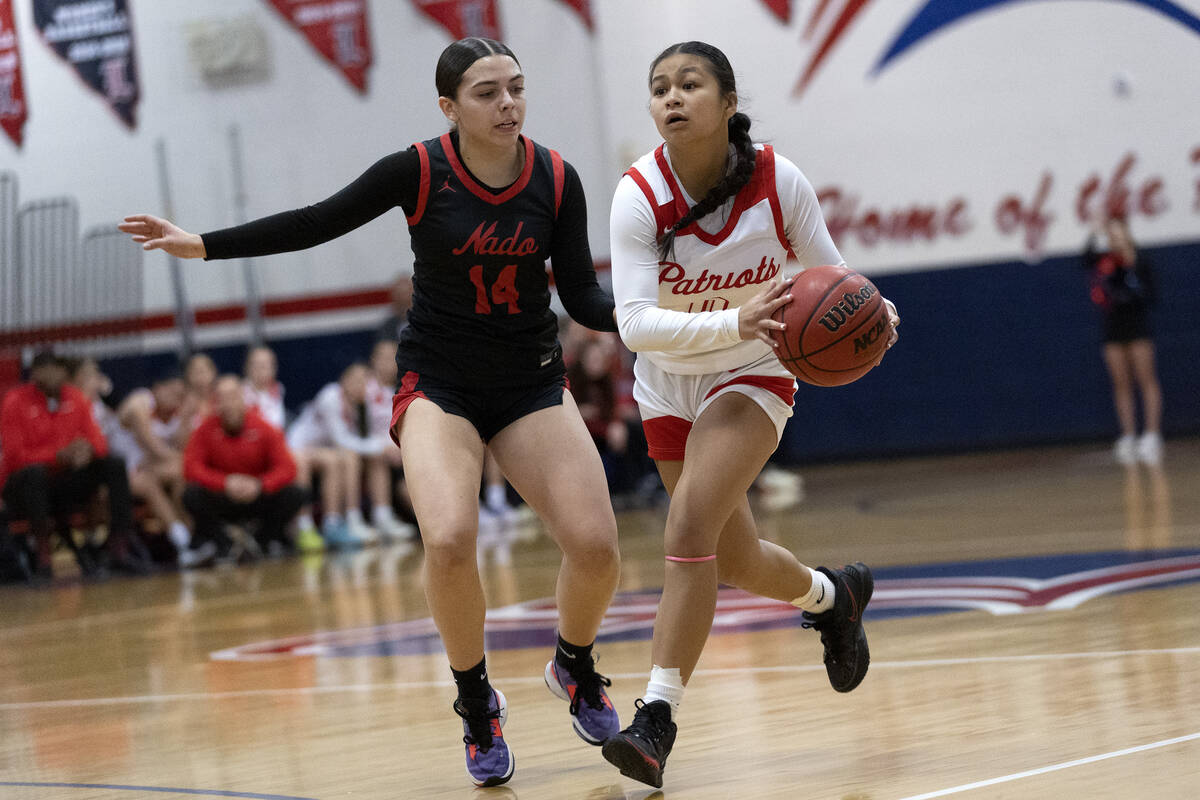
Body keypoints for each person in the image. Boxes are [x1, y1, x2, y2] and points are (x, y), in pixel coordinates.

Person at [119, 37, 622, 788]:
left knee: (597, 547)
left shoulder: (555, 177)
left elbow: (581, 296)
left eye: (515, 87)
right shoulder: (418, 170)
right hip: (440, 383)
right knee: (449, 538)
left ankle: (574, 665)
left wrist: (665, 312)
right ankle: (476, 702)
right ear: (449, 108)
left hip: (529, 382)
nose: (508, 103)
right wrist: (203, 246)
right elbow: (317, 220)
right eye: (487, 93)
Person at [601, 42, 900, 788]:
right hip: (668, 383)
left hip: (754, 372)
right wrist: (735, 318)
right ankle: (834, 600)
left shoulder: (777, 180)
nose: (671, 98)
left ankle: (656, 719)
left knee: (687, 529)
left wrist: (875, 314)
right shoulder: (638, 193)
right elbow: (635, 324)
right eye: (659, 87)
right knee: (731, 559)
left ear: (727, 102)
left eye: (689, 84)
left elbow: (831, 275)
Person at [0, 351, 149, 578]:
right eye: (46, 370)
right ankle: (43, 556)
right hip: (24, 488)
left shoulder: (75, 397)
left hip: (64, 480)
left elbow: (98, 442)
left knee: (113, 465)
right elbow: (14, 457)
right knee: (34, 474)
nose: (53, 376)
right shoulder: (15, 401)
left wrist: (88, 451)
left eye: (57, 369)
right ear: (35, 373)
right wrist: (57, 456)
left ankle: (118, 546)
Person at [73, 360, 211, 568]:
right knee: (154, 479)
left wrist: (184, 419)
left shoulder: (177, 412)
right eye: (173, 393)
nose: (177, 399)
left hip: (141, 469)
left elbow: (181, 450)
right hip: (116, 473)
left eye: (180, 395)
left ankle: (190, 536)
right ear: (158, 388)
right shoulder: (139, 403)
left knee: (180, 472)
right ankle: (183, 543)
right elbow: (155, 448)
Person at [182, 375, 306, 557]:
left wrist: (260, 484)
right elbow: (191, 468)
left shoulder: (263, 427)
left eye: (233, 396)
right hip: (223, 496)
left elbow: (288, 468)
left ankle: (262, 540)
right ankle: (224, 543)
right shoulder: (205, 430)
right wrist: (225, 482)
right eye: (222, 398)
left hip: (256, 495)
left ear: (242, 398)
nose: (229, 404)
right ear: (216, 403)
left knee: (296, 493)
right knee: (191, 495)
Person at [1083, 215, 1162, 465]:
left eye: (1119, 232)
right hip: (1113, 329)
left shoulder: (1140, 260)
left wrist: (1132, 287)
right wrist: (1094, 233)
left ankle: (1151, 434)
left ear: (1127, 233)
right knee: (1121, 383)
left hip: (1138, 327)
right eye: (1111, 234)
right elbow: (1084, 259)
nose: (1115, 237)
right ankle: (1128, 435)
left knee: (1146, 379)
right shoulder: (1105, 261)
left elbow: (1151, 294)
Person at [286, 362, 389, 547]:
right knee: (340, 457)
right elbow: (341, 439)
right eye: (356, 380)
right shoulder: (330, 396)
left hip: (326, 450)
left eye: (365, 382)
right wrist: (380, 446)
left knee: (347, 458)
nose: (360, 386)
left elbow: (367, 437)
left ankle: (345, 521)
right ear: (344, 380)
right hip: (297, 447)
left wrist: (382, 446)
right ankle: (305, 527)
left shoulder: (362, 404)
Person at [243, 345, 287, 431]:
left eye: (265, 365)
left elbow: (277, 423)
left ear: (274, 368)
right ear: (247, 367)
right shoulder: (240, 393)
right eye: (256, 364)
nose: (261, 369)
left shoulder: (278, 388)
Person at [376, 273, 414, 343]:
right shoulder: (388, 326)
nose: (403, 299)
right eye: (400, 296)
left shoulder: (426, 322)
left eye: (407, 295)